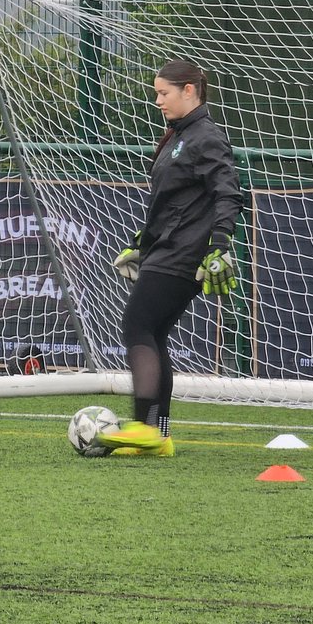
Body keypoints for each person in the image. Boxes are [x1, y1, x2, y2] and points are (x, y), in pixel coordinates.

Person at [99, 59, 244, 457]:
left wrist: (219, 245)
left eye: (164, 93)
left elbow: (228, 193)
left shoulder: (205, 137)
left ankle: (144, 426)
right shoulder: (179, 135)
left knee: (137, 325)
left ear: (189, 91)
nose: (158, 101)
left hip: (183, 253)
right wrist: (141, 244)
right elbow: (171, 202)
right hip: (167, 248)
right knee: (154, 333)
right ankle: (158, 435)